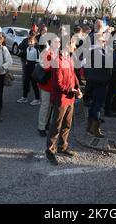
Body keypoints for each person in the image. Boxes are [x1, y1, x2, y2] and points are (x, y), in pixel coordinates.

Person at [45, 38, 82, 166]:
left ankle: (62, 147)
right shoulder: (57, 60)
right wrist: (72, 90)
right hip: (61, 98)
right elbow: (58, 84)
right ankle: (50, 151)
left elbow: (74, 75)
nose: (75, 46)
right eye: (72, 44)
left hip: (70, 97)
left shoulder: (69, 58)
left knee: (67, 124)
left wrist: (78, 89)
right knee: (56, 125)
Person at [84, 33, 111, 138]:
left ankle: (90, 127)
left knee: (93, 105)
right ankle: (95, 129)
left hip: (93, 81)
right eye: (102, 41)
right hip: (99, 82)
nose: (104, 43)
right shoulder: (97, 51)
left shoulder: (91, 51)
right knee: (97, 106)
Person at [37, 37, 58, 138]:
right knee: (45, 106)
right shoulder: (46, 52)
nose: (58, 44)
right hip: (46, 84)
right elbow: (45, 66)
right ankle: (41, 127)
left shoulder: (60, 53)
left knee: (52, 106)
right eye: (56, 42)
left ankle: (47, 124)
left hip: (55, 85)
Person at [17, 37, 41, 106]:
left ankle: (37, 99)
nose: (30, 43)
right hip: (28, 67)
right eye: (29, 42)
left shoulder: (36, 50)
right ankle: (24, 97)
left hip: (33, 68)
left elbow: (38, 61)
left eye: (31, 42)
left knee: (34, 84)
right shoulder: (27, 48)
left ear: (35, 42)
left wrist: (35, 71)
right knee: (26, 82)